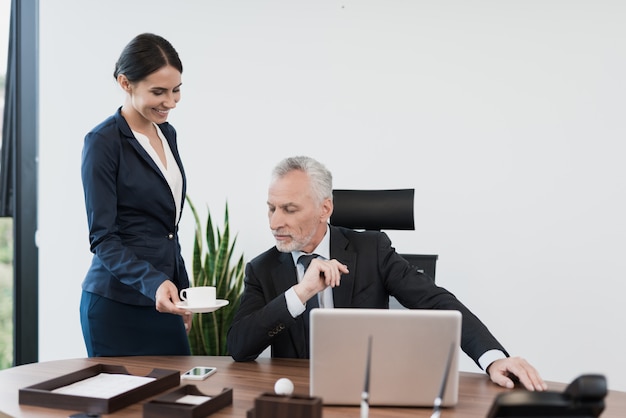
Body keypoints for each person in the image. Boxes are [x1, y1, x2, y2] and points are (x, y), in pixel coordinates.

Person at [227, 155, 547, 391]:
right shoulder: (263, 268)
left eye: (289, 209)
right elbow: (239, 348)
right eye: (271, 208)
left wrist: (492, 358)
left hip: (369, 392)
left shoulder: (372, 250)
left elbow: (436, 301)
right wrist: (300, 293)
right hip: (297, 398)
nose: (273, 223)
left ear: (325, 209)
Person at [80, 33, 193, 356]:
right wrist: (154, 283)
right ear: (125, 83)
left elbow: (166, 228)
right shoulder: (102, 142)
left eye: (176, 90)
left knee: (176, 401)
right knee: (121, 406)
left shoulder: (166, 133)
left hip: (163, 301)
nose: (170, 102)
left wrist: (181, 292)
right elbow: (103, 238)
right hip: (117, 304)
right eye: (158, 92)